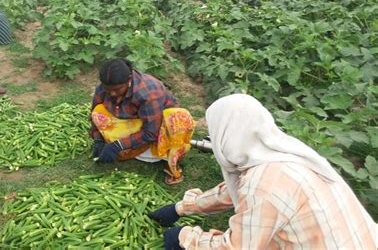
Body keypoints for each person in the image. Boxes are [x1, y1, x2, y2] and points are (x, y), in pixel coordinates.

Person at [149, 94, 378, 249]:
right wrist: (181, 208)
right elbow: (237, 192)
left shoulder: (264, 185)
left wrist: (186, 238)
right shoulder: (283, 155)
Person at [90, 58, 195, 184]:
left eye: (117, 89)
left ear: (129, 80)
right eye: (108, 90)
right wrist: (98, 139)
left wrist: (118, 145)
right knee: (99, 110)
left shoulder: (148, 93)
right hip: (134, 119)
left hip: (160, 125)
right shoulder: (103, 88)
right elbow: (94, 113)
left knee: (174, 122)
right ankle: (133, 147)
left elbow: (151, 132)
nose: (112, 94)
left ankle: (170, 159)